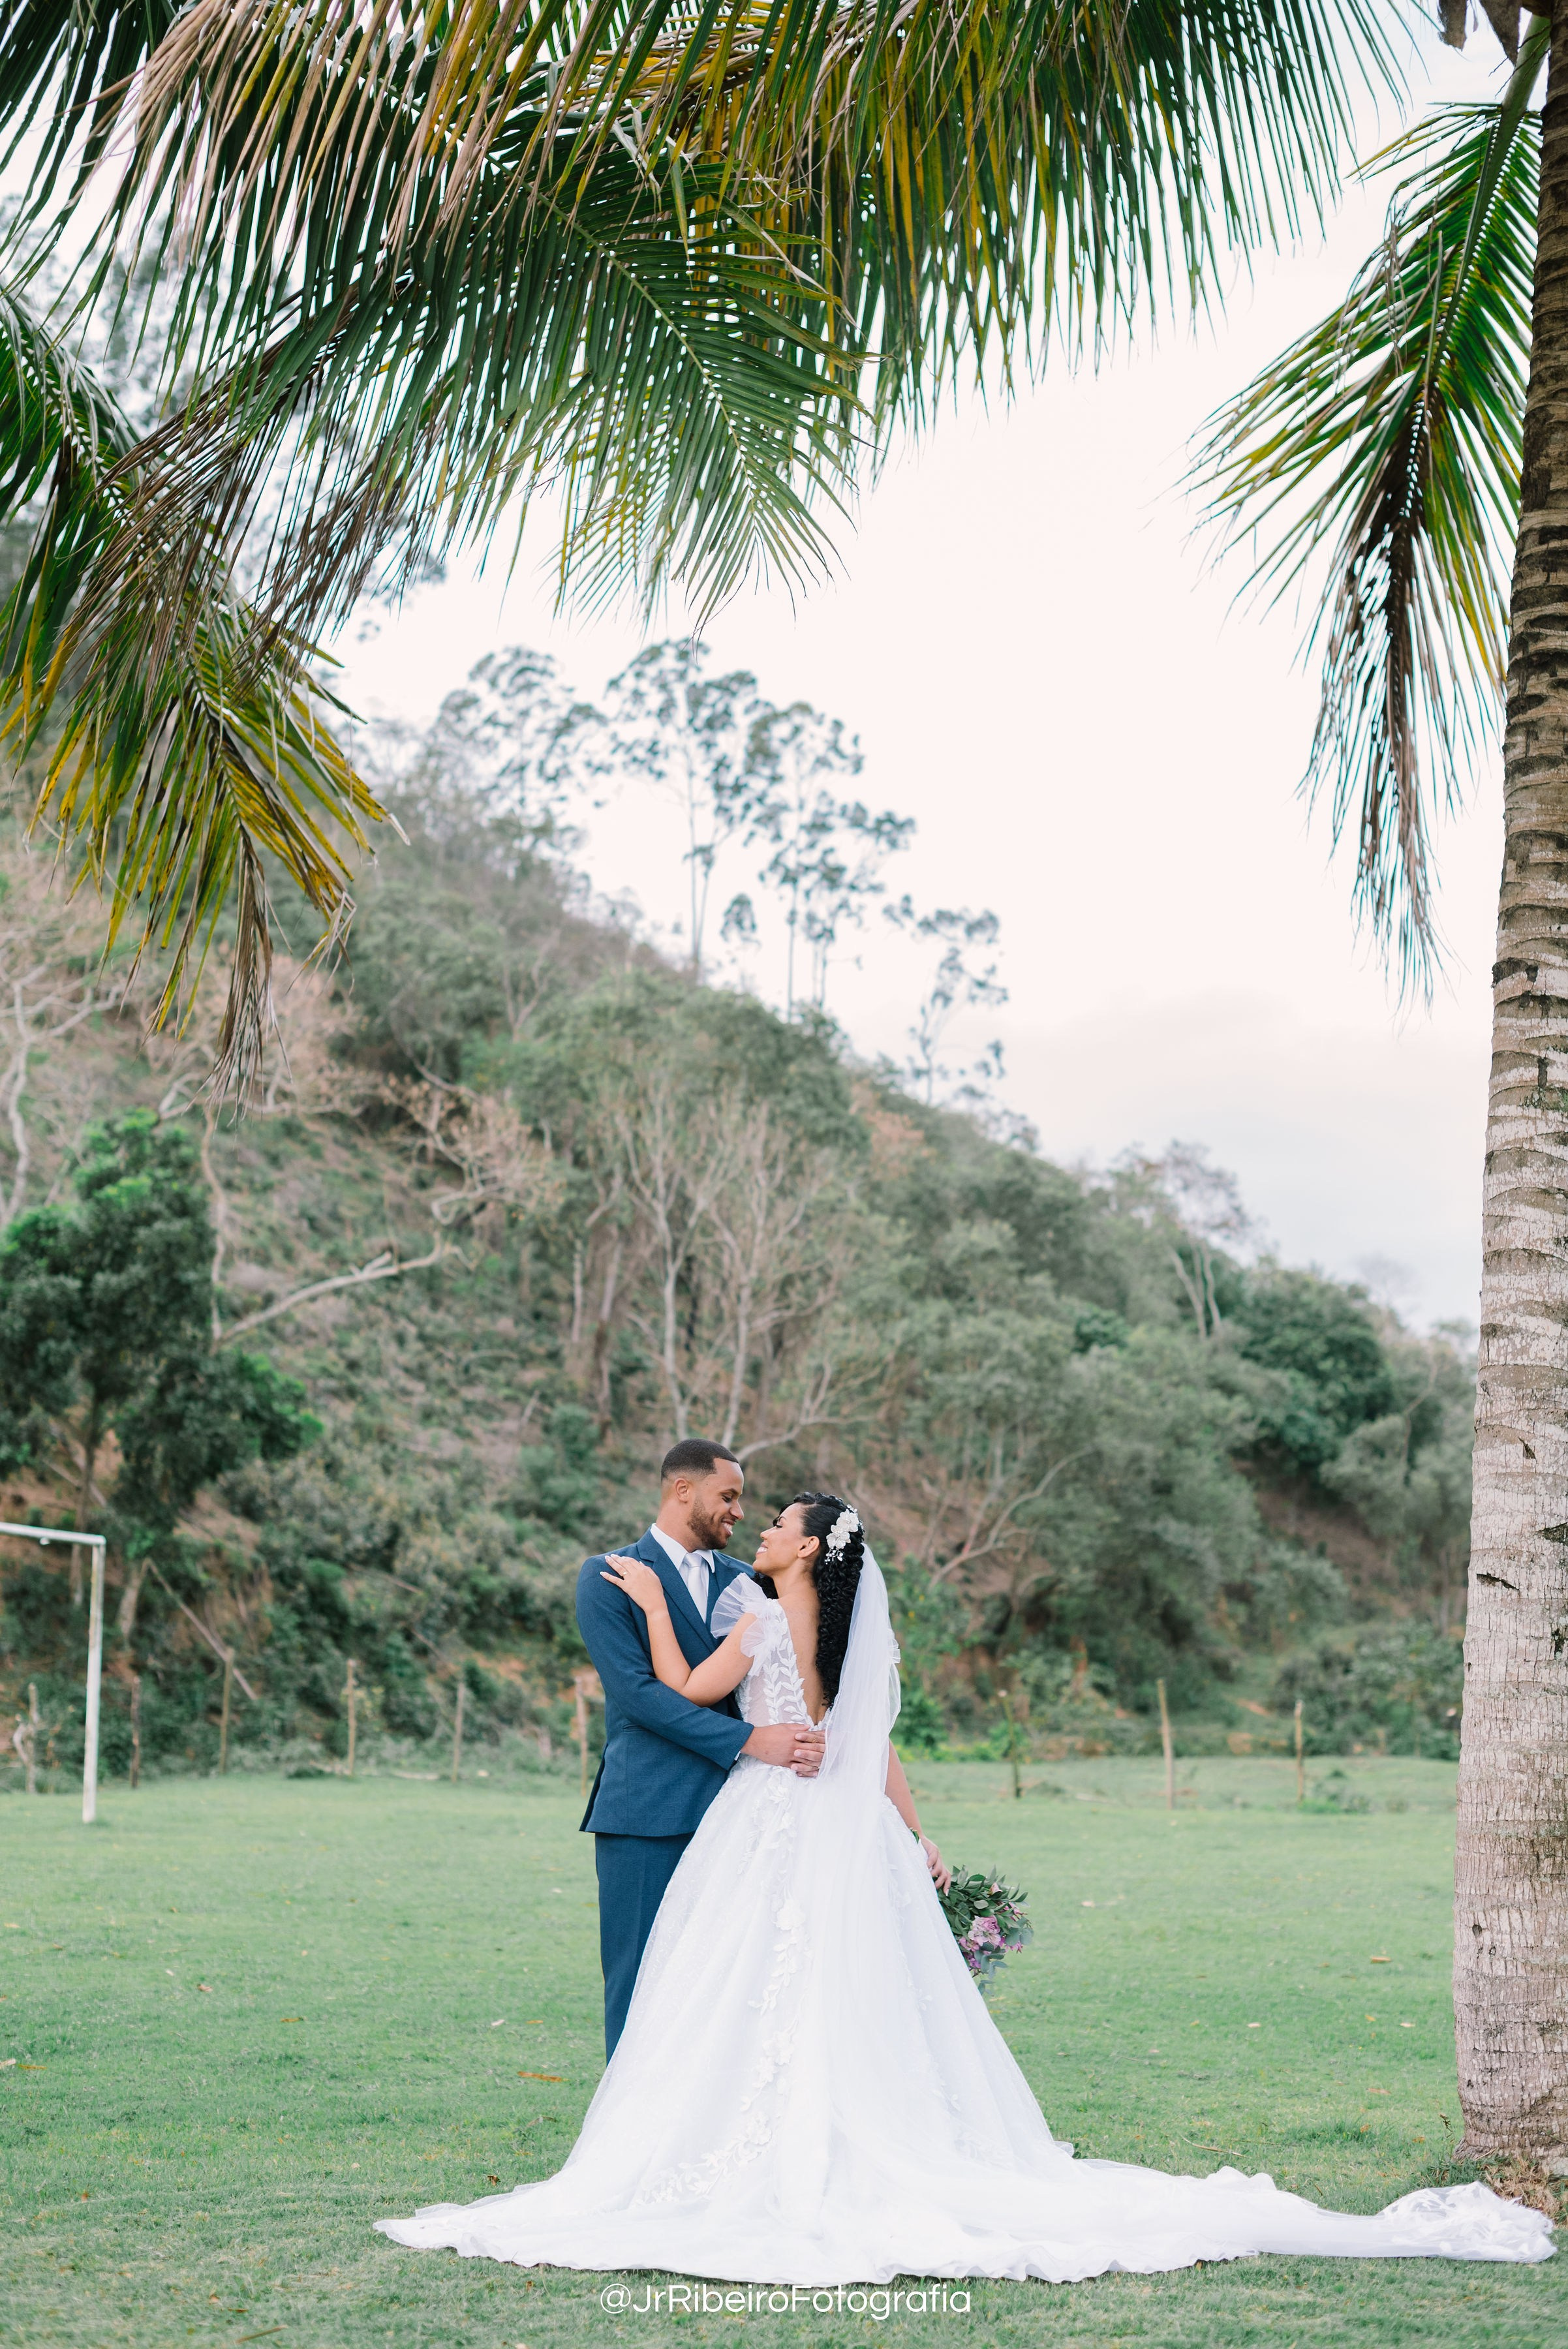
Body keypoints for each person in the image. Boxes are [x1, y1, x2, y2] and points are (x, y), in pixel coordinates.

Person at [377, 1497, 1552, 2284]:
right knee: (838, 1984)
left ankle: (748, 2147)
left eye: (778, 1526)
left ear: (801, 1553)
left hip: (760, 1825)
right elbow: (866, 1745)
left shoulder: (752, 1619)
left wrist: (642, 1615)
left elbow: (683, 1683)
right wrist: (916, 1836)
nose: (765, 1532)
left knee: (740, 1982)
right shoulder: (829, 1637)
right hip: (824, 1825)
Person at [569, 1437, 823, 2056]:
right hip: (647, 1812)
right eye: (728, 1496)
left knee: (728, 1987)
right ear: (682, 1489)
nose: (739, 1512)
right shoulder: (608, 1575)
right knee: (637, 1979)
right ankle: (626, 2140)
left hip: (741, 1820)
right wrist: (749, 1741)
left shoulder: (752, 1585)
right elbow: (638, 1696)